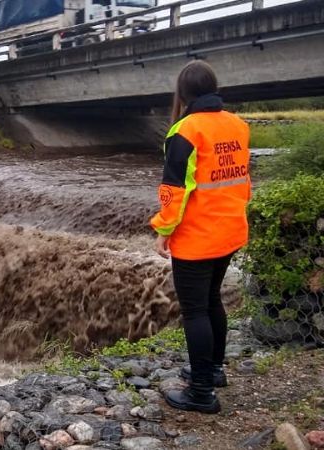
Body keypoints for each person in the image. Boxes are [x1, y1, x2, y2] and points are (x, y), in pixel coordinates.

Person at [150, 60, 251, 414]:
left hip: (198, 237)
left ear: (183, 92)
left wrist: (163, 230)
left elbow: (174, 190)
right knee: (212, 302)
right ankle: (214, 370)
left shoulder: (184, 130)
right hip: (230, 230)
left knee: (195, 311)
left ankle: (201, 392)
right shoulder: (237, 124)